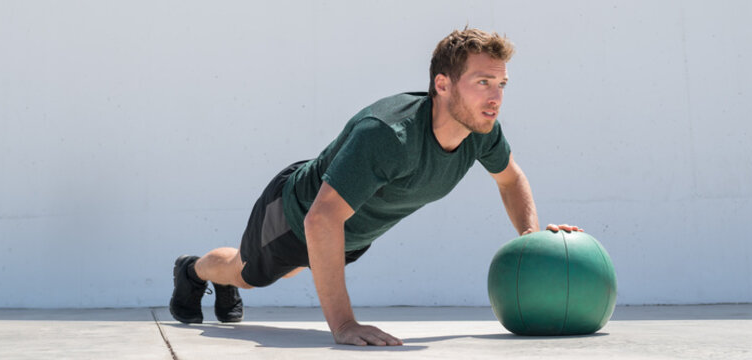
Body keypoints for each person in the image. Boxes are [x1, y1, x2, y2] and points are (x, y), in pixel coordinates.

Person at [170, 27, 583, 346]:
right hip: (297, 213)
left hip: (348, 231)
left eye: (501, 84)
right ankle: (193, 271)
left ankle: (221, 279)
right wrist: (345, 325)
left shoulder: (481, 130)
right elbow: (321, 220)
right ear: (442, 84)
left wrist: (532, 240)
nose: (495, 97)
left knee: (294, 269)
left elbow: (510, 179)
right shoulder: (388, 135)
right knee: (247, 274)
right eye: (482, 82)